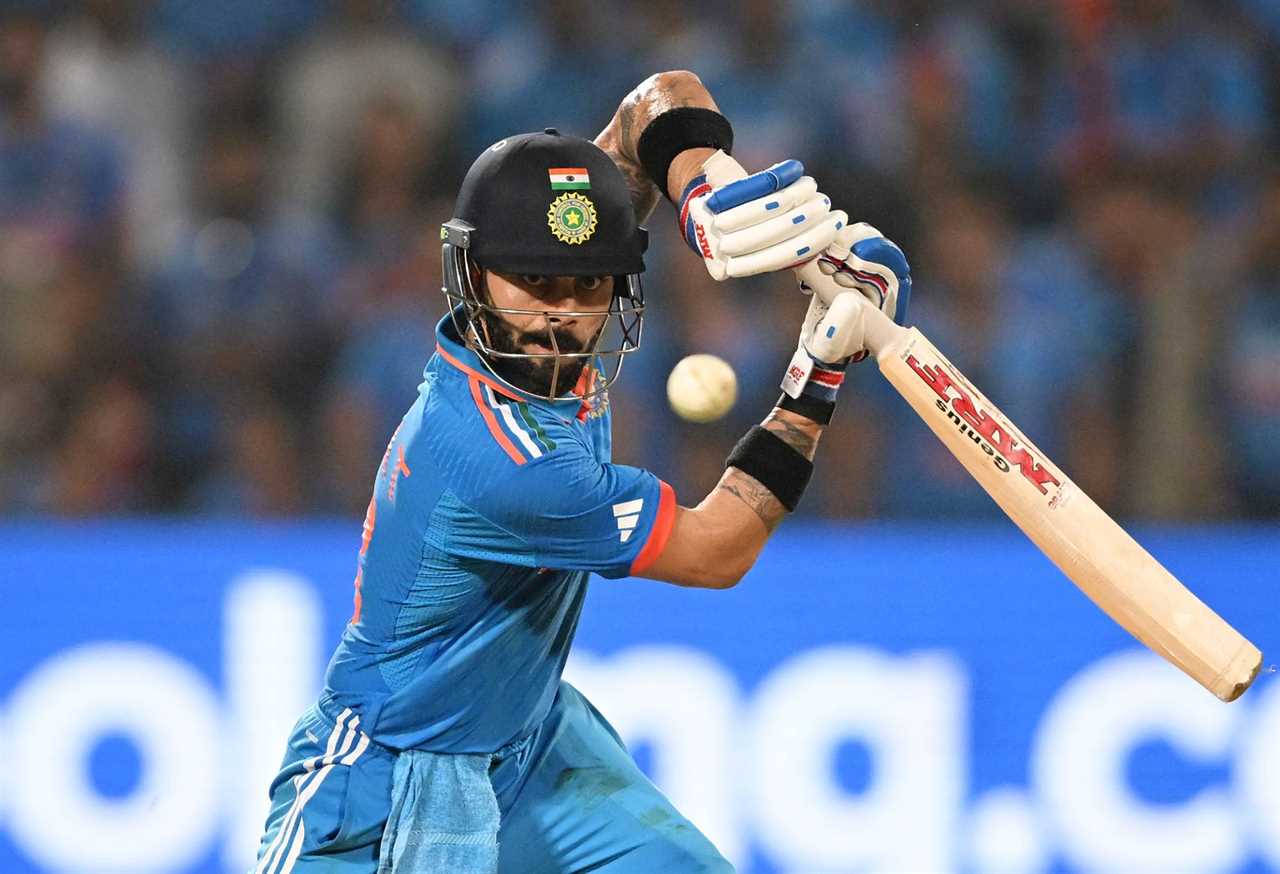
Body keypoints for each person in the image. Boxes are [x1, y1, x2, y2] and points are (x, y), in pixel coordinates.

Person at [252, 70, 911, 874]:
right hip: (388, 786)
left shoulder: (536, 317)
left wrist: (700, 187)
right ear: (473, 273)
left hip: (530, 740)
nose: (561, 312)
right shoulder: (503, 462)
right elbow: (716, 550)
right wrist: (820, 370)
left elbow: (656, 103)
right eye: (534, 282)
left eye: (587, 284)